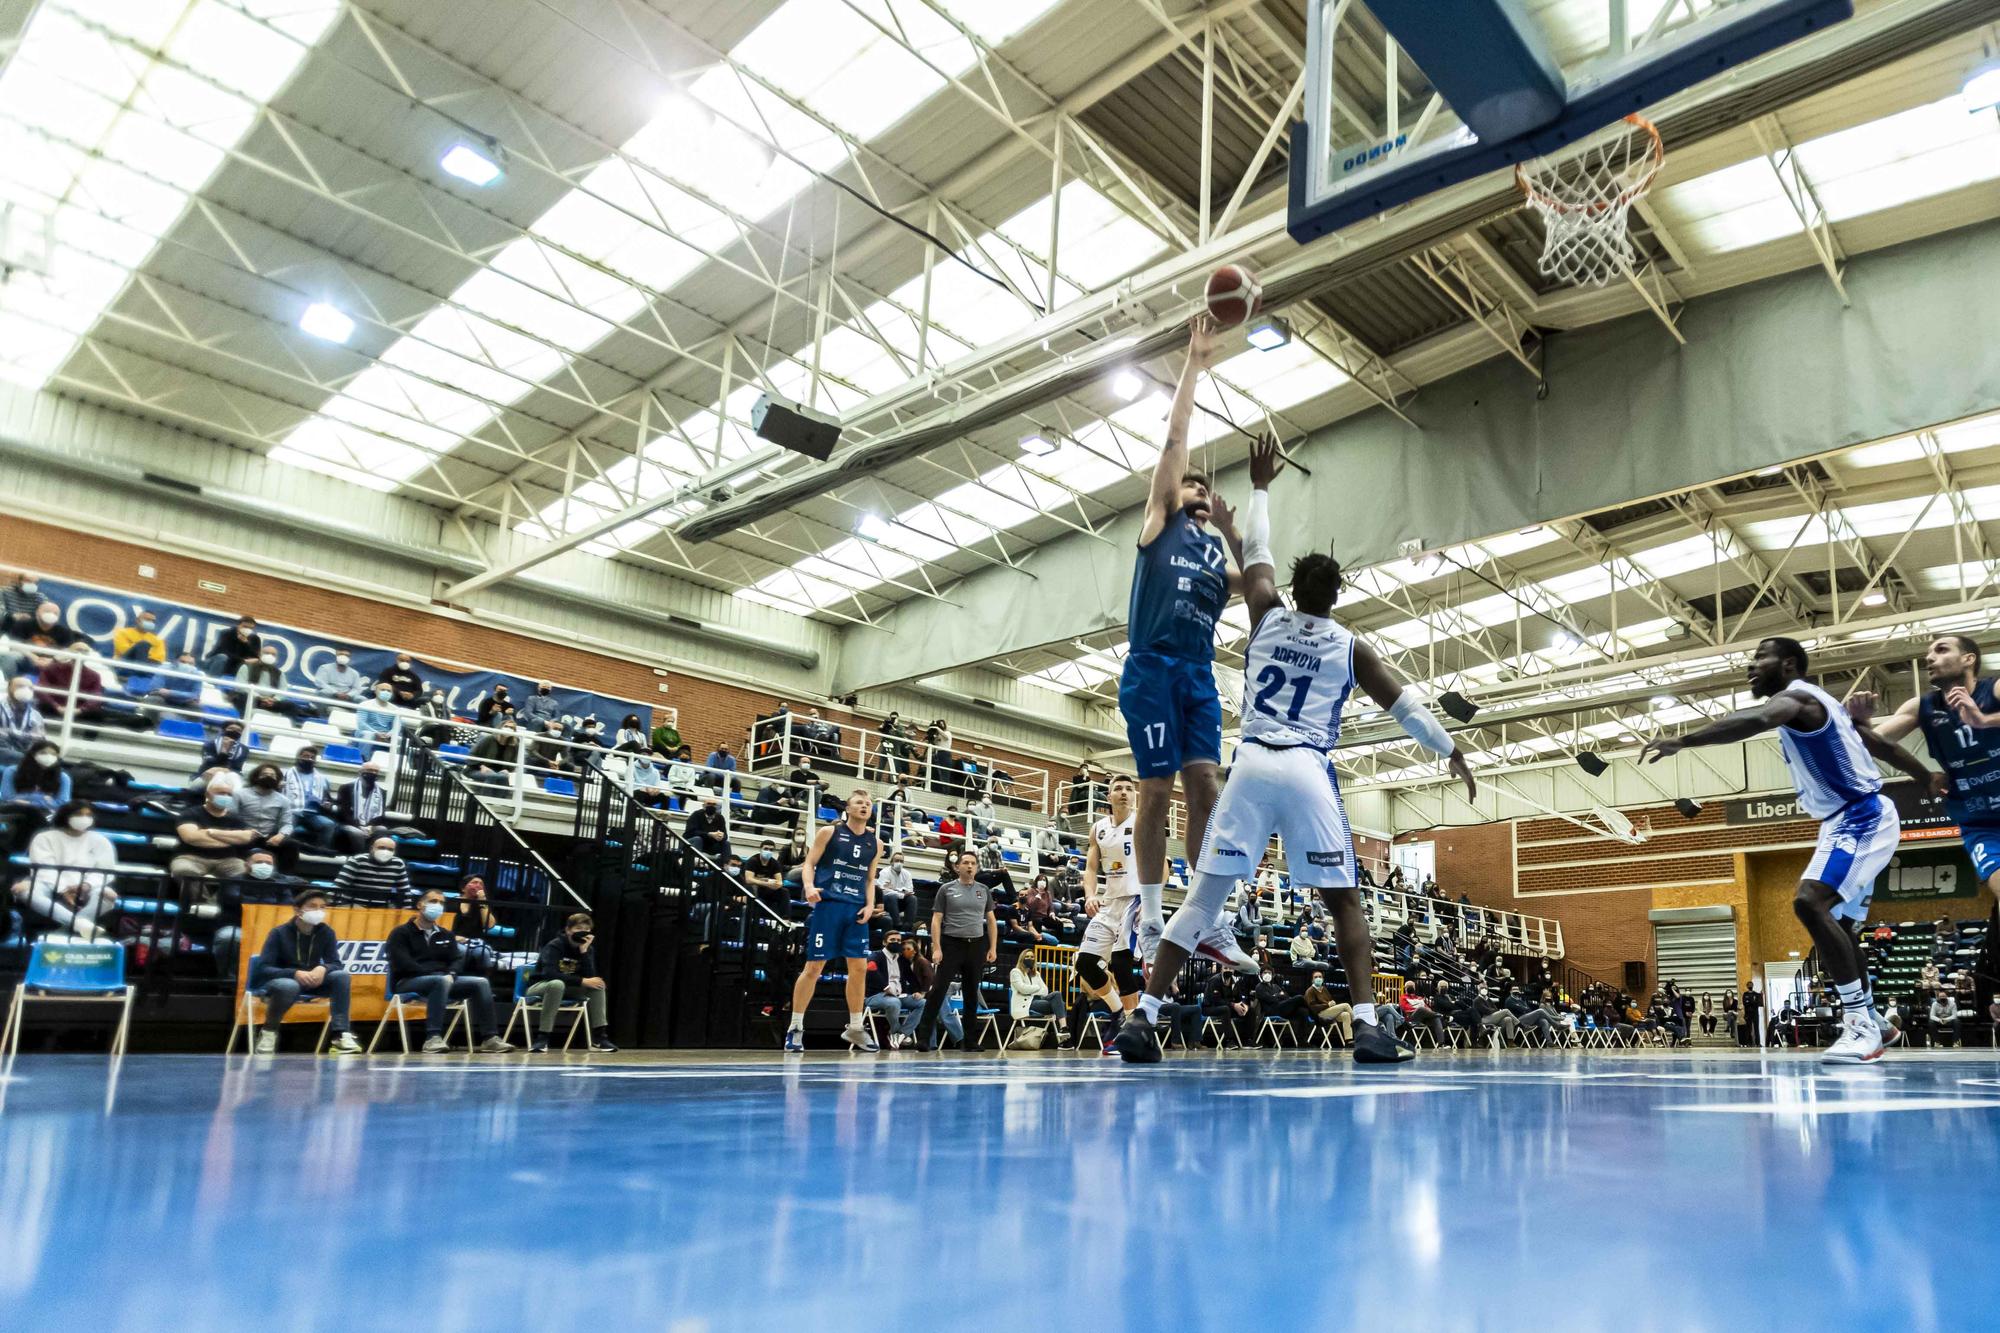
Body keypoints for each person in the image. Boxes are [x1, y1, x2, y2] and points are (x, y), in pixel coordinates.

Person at [1118, 437, 1473, 1066]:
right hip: (1307, 770)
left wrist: (1258, 489)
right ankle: (1366, 1026)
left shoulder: (1266, 614)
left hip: (1252, 763)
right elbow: (1409, 709)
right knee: (1344, 904)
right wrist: (1450, 750)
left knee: (1203, 898)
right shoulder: (1349, 646)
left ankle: (1143, 1019)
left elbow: (1256, 554)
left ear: (1296, 589)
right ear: (1335, 596)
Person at [1643, 636, 1931, 1065]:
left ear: (1790, 664)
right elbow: (1880, 746)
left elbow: (1758, 718)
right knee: (1840, 926)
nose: (1751, 666)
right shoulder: (1825, 707)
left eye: (1761, 657)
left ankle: (1860, 1025)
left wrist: (1684, 741)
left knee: (1808, 901)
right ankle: (1875, 1019)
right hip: (1841, 821)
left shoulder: (1796, 700)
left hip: (1861, 816)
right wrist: (1927, 777)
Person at [1847, 636, 2000, 911]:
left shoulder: (1994, 689)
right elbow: (1863, 748)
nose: (1929, 658)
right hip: (1981, 823)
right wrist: (1861, 725)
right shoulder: (1922, 707)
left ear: (1969, 659)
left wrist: (1984, 720)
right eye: (1928, 652)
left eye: (1941, 650)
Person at [784, 788, 882, 1053]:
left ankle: (855, 1027)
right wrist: (808, 886)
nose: (865, 806)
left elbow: (871, 878)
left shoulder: (876, 842)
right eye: (859, 803)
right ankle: (795, 1027)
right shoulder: (830, 832)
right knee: (814, 968)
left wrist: (871, 905)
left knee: (859, 968)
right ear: (848, 809)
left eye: (868, 803)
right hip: (828, 907)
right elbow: (809, 863)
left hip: (855, 910)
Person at [385, 888, 513, 1052]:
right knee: (440, 981)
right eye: (433, 901)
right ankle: (433, 1038)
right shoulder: (401, 933)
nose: (437, 906)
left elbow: (457, 959)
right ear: (419, 905)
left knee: (480, 982)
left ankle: (490, 1038)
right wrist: (434, 974)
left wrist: (452, 974)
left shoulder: (445, 934)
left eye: (441, 903)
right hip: (408, 981)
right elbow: (401, 962)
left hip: (443, 980)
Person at [1076, 773, 1149, 1031]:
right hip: (1109, 903)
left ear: (1134, 796)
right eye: (1118, 788)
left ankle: (1133, 1029)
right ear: (1109, 797)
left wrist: (1150, 900)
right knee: (1084, 962)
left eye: (1129, 789)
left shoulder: (1142, 822)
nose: (1124, 792)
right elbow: (1091, 868)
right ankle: (1117, 1011)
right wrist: (1090, 895)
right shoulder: (1099, 828)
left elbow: (1160, 866)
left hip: (1134, 901)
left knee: (1120, 964)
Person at [249, 889, 362, 1054]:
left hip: (311, 981)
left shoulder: (326, 932)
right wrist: (294, 973)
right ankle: (268, 1032)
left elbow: (336, 963)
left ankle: (340, 1034)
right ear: (297, 910)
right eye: (313, 906)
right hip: (280, 982)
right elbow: (264, 968)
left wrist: (323, 968)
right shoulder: (278, 933)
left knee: (341, 976)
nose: (318, 911)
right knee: (289, 986)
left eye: (322, 907)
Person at [914, 848, 997, 1052]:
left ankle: (969, 1041)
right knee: (938, 991)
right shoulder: (946, 889)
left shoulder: (984, 890)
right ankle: (924, 1038)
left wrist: (992, 947)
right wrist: (936, 947)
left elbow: (991, 920)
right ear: (957, 866)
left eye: (973, 863)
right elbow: (936, 919)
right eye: (966, 862)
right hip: (952, 943)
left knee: (971, 993)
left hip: (976, 944)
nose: (969, 866)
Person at [12, 799, 119, 938]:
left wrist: (85, 885)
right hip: (48, 882)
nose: (84, 818)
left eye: (88, 815)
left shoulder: (101, 841)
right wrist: (64, 890)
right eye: (80, 814)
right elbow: (45, 869)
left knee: (109, 895)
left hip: (88, 885)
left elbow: (105, 871)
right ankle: (80, 925)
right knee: (25, 891)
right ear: (66, 816)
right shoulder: (44, 837)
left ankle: (63, 933)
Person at [526, 912, 617, 1052]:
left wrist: (584, 952)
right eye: (578, 929)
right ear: (568, 930)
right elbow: (549, 974)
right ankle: (542, 1038)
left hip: (567, 987)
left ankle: (600, 1037)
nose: (583, 932)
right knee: (557, 984)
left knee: (597, 985)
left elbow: (590, 977)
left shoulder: (587, 949)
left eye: (586, 930)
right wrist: (581, 981)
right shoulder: (555, 946)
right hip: (541, 986)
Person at [171, 773, 258, 883]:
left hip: (228, 860)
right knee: (183, 871)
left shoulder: (236, 818)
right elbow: (191, 837)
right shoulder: (190, 813)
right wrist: (231, 839)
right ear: (208, 795)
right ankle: (202, 900)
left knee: (245, 873)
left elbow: (245, 838)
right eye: (221, 793)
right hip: (191, 857)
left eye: (229, 794)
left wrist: (211, 832)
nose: (225, 797)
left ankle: (222, 900)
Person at [864, 928, 924, 1048]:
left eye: (898, 940)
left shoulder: (902, 959)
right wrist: (885, 987)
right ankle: (895, 1031)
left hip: (898, 995)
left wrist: (918, 991)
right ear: (885, 942)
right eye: (892, 940)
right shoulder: (877, 955)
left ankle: (901, 1034)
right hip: (876, 995)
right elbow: (871, 968)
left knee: (922, 1003)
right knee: (894, 1002)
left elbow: (911, 977)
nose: (896, 942)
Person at [234, 762, 300, 870]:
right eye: (265, 774)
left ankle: (285, 879)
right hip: (244, 836)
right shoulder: (240, 794)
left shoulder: (284, 800)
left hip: (268, 839)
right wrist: (244, 831)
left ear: (278, 779)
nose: (269, 777)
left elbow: (287, 824)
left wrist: (280, 835)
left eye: (273, 775)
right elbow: (231, 817)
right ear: (256, 777)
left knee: (292, 845)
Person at [284, 745, 337, 848]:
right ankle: (285, 849)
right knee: (287, 826)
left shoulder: (322, 778)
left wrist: (328, 804)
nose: (309, 759)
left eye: (312, 757)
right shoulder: (285, 774)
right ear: (298, 757)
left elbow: (327, 798)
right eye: (305, 756)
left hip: (312, 813)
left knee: (328, 824)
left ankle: (321, 852)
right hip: (291, 811)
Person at [3, 738, 70, 818]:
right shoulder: (12, 771)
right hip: (14, 812)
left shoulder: (63, 777)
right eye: (43, 753)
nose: (49, 756)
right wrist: (42, 798)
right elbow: (7, 797)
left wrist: (29, 803)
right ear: (33, 754)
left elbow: (62, 803)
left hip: (45, 815)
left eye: (53, 754)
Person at [333, 832, 414, 899]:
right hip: (355, 907)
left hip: (382, 909)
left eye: (390, 849)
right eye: (381, 847)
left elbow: (405, 891)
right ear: (372, 849)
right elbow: (338, 886)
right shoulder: (357, 860)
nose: (385, 851)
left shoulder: (398, 863)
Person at [1008, 948, 1064, 1034]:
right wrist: (1037, 987)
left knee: (1057, 994)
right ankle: (1063, 1029)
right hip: (1026, 1004)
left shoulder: (1036, 974)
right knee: (1060, 1004)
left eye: (1032, 957)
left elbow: (1045, 991)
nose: (1030, 959)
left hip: (1039, 1000)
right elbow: (1022, 989)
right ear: (1022, 958)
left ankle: (1064, 1028)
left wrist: (1031, 990)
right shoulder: (1015, 972)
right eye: (1027, 956)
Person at [0, 675, 44, 766]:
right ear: (9, 689)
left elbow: (38, 739)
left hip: (23, 753)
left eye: (30, 688)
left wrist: (11, 733)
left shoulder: (36, 715)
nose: (26, 690)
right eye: (20, 686)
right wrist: (23, 736)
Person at [875, 847, 916, 930]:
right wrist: (901, 893)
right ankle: (897, 925)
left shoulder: (907, 874)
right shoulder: (885, 872)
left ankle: (908, 926)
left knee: (912, 898)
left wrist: (893, 889)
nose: (899, 863)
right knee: (891, 896)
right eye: (897, 860)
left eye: (901, 861)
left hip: (899, 902)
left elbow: (910, 891)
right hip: (885, 902)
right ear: (891, 862)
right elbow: (883, 891)